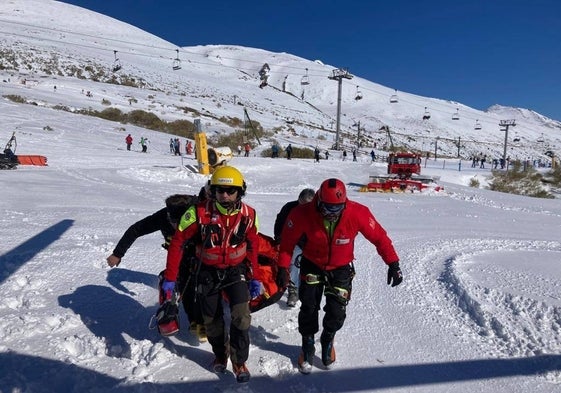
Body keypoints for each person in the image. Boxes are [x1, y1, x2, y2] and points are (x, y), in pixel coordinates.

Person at [278, 178, 402, 374]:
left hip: (341, 267)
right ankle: (307, 345)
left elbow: (379, 237)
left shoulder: (357, 213)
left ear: (344, 204)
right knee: (309, 307)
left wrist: (393, 263)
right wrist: (282, 268)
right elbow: (286, 244)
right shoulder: (302, 213)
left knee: (337, 311)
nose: (332, 214)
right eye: (327, 208)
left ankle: (328, 339)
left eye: (337, 209)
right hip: (312, 264)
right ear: (318, 201)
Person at [162, 166, 260, 383]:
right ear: (212, 191)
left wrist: (256, 277)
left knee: (241, 316)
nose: (225, 195)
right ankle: (220, 354)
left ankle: (239, 360)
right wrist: (170, 278)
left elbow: (253, 245)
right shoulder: (196, 213)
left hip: (236, 272)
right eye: (219, 190)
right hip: (206, 272)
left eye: (230, 190)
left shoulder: (249, 215)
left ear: (240, 191)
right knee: (212, 320)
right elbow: (177, 243)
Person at [106, 191, 208, 340]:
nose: (179, 227)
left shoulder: (200, 213)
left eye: (182, 223)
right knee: (171, 281)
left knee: (199, 284)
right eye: (175, 223)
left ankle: (205, 318)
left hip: (203, 258)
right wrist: (117, 254)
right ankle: (175, 316)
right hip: (178, 261)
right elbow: (136, 229)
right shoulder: (162, 217)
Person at [273, 188, 315, 307]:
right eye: (300, 203)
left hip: (311, 244)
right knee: (293, 262)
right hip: (292, 242)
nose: (302, 208)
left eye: (305, 205)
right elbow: (280, 222)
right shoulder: (289, 208)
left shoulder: (317, 212)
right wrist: (279, 238)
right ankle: (293, 290)